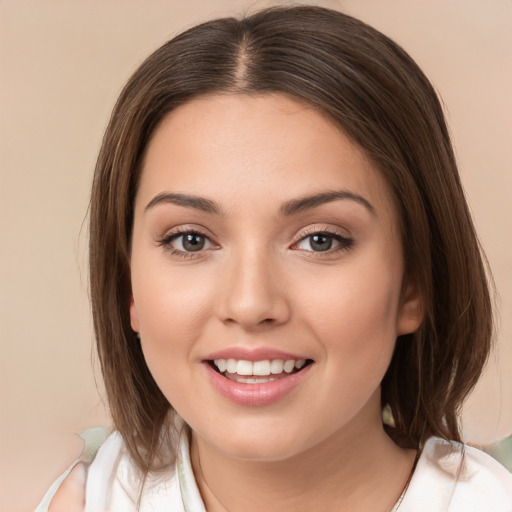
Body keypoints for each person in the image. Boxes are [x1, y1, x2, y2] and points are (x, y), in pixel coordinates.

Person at [37, 5, 512, 511]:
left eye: (320, 240)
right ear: (128, 286)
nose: (249, 303)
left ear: (414, 284)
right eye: (191, 240)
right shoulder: (85, 497)